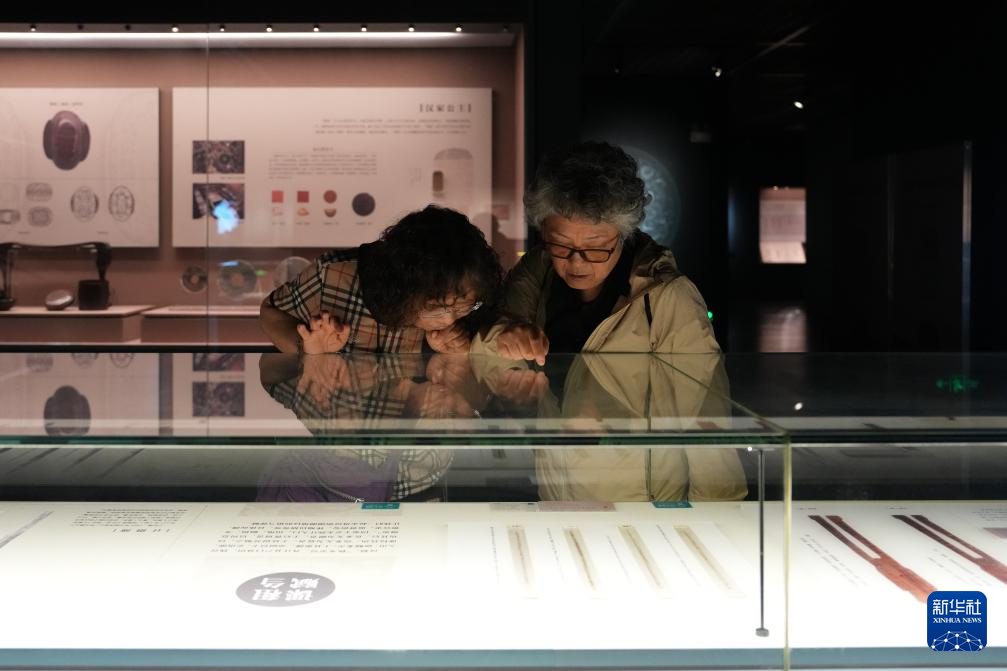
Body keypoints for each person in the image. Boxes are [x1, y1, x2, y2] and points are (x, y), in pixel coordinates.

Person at [474, 141, 718, 362]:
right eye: (561, 244)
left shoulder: (668, 296)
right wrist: (504, 337)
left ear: (623, 234)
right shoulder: (536, 269)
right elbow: (489, 357)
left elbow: (698, 390)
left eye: (595, 247)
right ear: (544, 232)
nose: (577, 262)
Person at [260, 205, 503, 355]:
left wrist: (452, 354)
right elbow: (271, 312)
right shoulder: (333, 273)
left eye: (462, 306)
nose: (449, 319)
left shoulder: (468, 306)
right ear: (404, 288)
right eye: (435, 307)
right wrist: (306, 349)